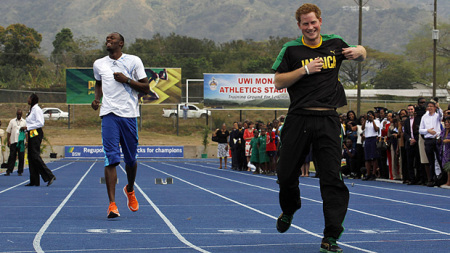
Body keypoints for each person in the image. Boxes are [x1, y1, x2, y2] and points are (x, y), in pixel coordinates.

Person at [272, 3, 366, 252]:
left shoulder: (335, 43)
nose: (310, 27)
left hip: (328, 119)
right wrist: (304, 69)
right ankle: (290, 209)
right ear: (299, 26)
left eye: (314, 22)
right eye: (305, 23)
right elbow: (278, 81)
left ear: (320, 22)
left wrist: (360, 51)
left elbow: (361, 52)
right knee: (285, 173)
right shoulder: (291, 49)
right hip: (298, 118)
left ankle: (330, 237)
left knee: (332, 179)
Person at [91, 32, 150, 218]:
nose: (108, 40)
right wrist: (96, 99)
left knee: (131, 160)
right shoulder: (99, 64)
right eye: (106, 38)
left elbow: (146, 88)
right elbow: (98, 83)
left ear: (121, 43)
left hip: (129, 115)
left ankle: (130, 189)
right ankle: (112, 205)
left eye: (112, 39)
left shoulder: (134, 61)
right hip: (108, 115)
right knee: (111, 159)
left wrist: (127, 80)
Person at [25, 94, 56, 187]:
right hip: (31, 133)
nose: (27, 99)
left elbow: (40, 123)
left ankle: (49, 175)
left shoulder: (37, 109)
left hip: (36, 133)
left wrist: (28, 127)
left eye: (29, 98)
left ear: (33, 99)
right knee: (30, 157)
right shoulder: (31, 109)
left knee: (35, 155)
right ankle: (34, 180)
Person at [419, 100, 442, 187]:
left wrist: (438, 107)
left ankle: (440, 178)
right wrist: (428, 130)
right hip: (428, 140)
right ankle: (432, 179)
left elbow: (441, 115)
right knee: (430, 160)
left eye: (431, 106)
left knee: (439, 159)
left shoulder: (437, 116)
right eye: (428, 106)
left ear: (435, 108)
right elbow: (421, 129)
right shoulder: (424, 117)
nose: (430, 108)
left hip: (436, 139)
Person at [4, 109, 27, 176]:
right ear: (16, 114)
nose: (19, 115)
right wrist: (8, 140)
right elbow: (8, 131)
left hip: (21, 142)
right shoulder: (12, 121)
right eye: (18, 114)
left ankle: (20, 171)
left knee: (21, 157)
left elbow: (26, 133)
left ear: (21, 115)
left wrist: (27, 141)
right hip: (13, 141)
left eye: (20, 114)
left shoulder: (24, 122)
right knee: (12, 156)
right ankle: (9, 170)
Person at [362, 111, 380, 181]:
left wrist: (373, 121)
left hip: (373, 138)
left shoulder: (376, 121)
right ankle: (368, 173)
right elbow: (362, 128)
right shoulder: (366, 122)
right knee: (367, 158)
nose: (370, 116)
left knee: (374, 157)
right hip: (367, 139)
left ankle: (373, 173)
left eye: (371, 115)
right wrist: (365, 120)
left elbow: (376, 129)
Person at [439, 117, 450, 187]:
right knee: (446, 166)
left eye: (448, 122)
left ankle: (448, 182)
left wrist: (448, 140)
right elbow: (440, 138)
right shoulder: (443, 131)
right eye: (445, 122)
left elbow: (447, 140)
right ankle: (447, 181)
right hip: (444, 150)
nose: (446, 123)